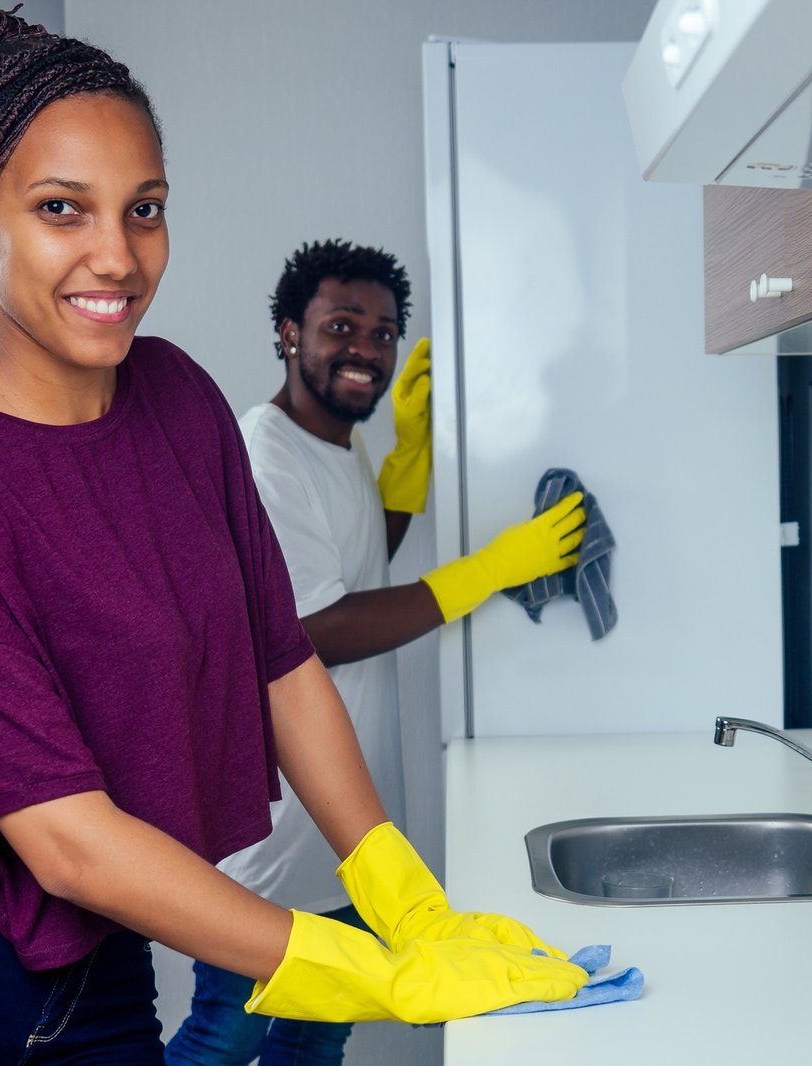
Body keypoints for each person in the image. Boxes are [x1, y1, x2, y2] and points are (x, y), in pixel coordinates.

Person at [0, 11, 588, 1064]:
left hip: (102, 932)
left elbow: (281, 656)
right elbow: (64, 840)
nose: (116, 256)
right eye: (62, 209)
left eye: (145, 208)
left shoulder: (176, 395)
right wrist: (367, 973)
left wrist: (402, 896)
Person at [165, 241, 589, 1065]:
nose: (366, 349)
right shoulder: (266, 454)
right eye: (341, 326)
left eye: (384, 332)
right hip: (278, 844)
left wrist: (400, 475)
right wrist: (490, 570)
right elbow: (316, 626)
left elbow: (348, 562)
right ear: (290, 334)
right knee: (218, 1041)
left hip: (349, 846)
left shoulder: (334, 443)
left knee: (315, 1049)